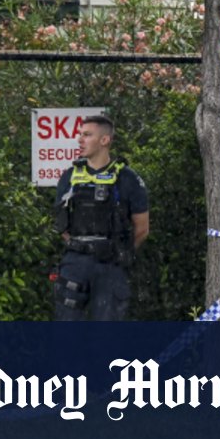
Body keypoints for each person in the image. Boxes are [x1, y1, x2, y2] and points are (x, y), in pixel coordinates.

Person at [52, 114, 149, 321]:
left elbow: (142, 228)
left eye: (87, 135)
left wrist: (120, 252)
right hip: (75, 263)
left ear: (104, 140)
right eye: (80, 135)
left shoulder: (127, 178)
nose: (80, 139)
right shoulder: (69, 176)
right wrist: (79, 247)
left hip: (111, 265)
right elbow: (61, 224)